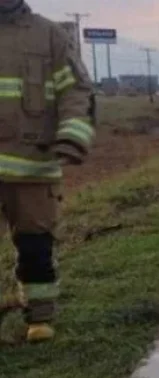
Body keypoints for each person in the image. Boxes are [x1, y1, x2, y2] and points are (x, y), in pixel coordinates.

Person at [0, 0, 95, 343]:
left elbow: (75, 90)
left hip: (34, 165)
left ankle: (39, 317)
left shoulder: (49, 35)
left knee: (35, 245)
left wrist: (73, 134)